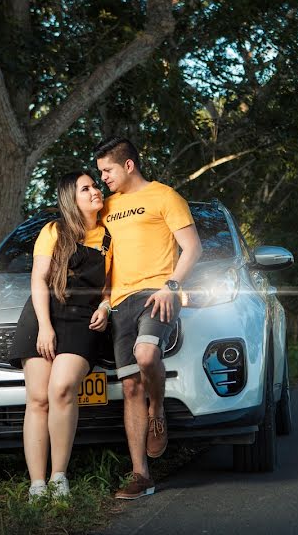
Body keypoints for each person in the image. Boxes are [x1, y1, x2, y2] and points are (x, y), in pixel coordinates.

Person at [94, 136, 202, 500]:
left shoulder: (164, 196)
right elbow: (102, 260)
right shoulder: (106, 208)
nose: (103, 178)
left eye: (107, 170)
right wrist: (104, 302)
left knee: (146, 355)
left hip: (157, 294)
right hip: (121, 302)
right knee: (128, 386)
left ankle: (158, 407)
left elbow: (192, 247)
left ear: (128, 165)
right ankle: (141, 475)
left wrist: (172, 285)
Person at [8, 171, 113, 501]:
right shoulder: (53, 231)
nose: (95, 190)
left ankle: (58, 477)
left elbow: (110, 287)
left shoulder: (109, 236)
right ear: (72, 198)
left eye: (95, 185)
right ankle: (37, 485)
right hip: (44, 315)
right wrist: (45, 326)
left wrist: (106, 307)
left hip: (83, 318)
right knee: (38, 399)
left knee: (63, 387)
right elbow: (39, 280)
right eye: (86, 188)